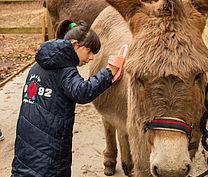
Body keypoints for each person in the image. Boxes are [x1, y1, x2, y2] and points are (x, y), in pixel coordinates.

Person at [11, 20, 125, 177]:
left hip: (26, 145)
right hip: (51, 150)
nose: (91, 58)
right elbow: (82, 92)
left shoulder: (36, 67)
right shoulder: (65, 70)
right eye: (89, 51)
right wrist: (108, 72)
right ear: (75, 44)